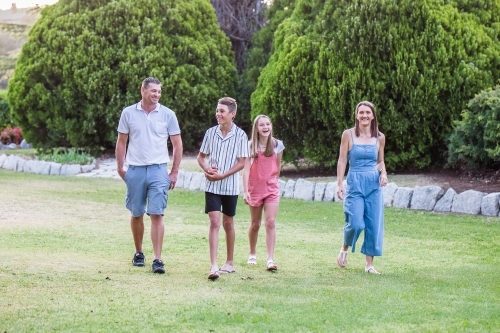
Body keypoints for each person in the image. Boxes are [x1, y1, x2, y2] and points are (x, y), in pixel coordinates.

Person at [115, 77, 183, 274]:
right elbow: (121, 141)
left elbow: (177, 144)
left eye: (159, 92)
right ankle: (139, 253)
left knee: (157, 213)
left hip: (158, 170)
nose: (157, 95)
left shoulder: (168, 114)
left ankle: (157, 259)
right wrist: (121, 167)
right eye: (153, 91)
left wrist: (174, 171)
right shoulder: (128, 113)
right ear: (142, 90)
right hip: (135, 170)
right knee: (136, 213)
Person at [197, 97, 250, 280]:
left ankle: (229, 262)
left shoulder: (241, 135)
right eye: (217, 110)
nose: (218, 114)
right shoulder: (210, 133)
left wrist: (224, 175)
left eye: (222, 111)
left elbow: (242, 162)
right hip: (212, 185)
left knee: (228, 223)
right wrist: (206, 169)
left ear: (232, 114)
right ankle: (213, 266)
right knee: (214, 222)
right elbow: (201, 157)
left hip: (230, 187)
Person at [336, 101, 388, 274]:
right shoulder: (348, 135)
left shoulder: (380, 137)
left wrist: (384, 173)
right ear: (356, 115)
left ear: (373, 116)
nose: (364, 115)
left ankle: (369, 264)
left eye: (368, 112)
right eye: (361, 112)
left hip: (373, 184)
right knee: (356, 223)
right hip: (355, 182)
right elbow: (342, 160)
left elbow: (380, 161)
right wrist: (339, 183)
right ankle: (344, 247)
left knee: (373, 224)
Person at [242, 115, 284, 271]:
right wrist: (245, 190)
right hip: (254, 189)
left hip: (271, 189)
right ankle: (252, 253)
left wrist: (273, 182)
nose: (265, 127)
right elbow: (245, 170)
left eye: (268, 124)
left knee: (271, 222)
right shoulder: (249, 146)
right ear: (256, 128)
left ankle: (270, 260)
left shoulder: (277, 145)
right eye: (262, 125)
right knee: (255, 224)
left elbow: (277, 167)